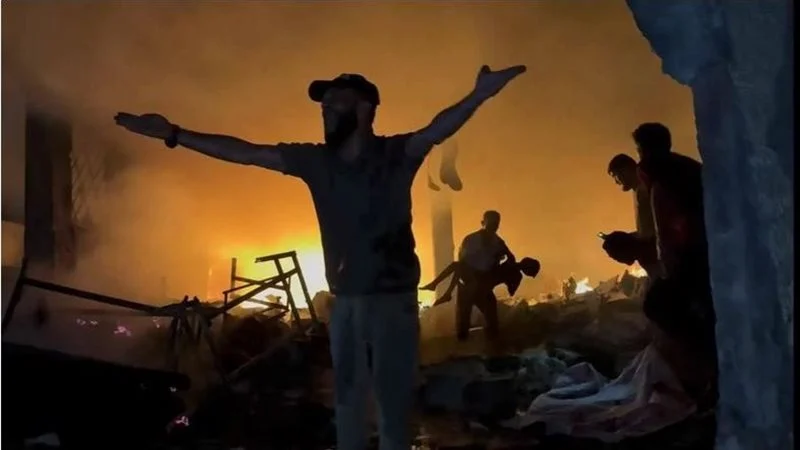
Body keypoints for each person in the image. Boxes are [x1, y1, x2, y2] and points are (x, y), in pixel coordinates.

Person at [113, 65, 526, 450]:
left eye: (335, 103)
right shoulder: (315, 160)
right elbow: (246, 152)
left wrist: (479, 96)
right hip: (344, 304)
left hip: (393, 303)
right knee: (347, 404)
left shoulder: (396, 154)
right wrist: (174, 134)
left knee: (393, 407)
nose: (325, 110)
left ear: (365, 109)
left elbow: (437, 129)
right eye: (323, 105)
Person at [631, 122, 717, 406]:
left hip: (692, 259)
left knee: (664, 307)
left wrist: (672, 267)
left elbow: (672, 230)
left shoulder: (663, 179)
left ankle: (704, 375)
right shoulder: (686, 169)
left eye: (640, 149)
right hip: (701, 257)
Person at [444, 211, 515, 343]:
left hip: (484, 286)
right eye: (491, 224)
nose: (493, 227)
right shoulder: (471, 240)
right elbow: (461, 263)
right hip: (467, 285)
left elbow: (511, 258)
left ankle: (492, 348)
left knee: (492, 320)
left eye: (496, 225)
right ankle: (462, 349)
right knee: (463, 325)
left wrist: (501, 266)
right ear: (483, 223)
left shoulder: (498, 242)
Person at [602, 153, 660, 277]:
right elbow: (647, 229)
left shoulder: (644, 190)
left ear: (626, 170)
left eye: (616, 176)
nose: (617, 182)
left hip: (657, 253)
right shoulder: (639, 190)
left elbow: (655, 228)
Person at [420, 256, 541, 306]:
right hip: (482, 280)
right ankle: (442, 290)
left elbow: (509, 291)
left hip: (482, 282)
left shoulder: (511, 263)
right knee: (458, 266)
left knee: (457, 266)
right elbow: (511, 292)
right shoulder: (517, 275)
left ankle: (441, 289)